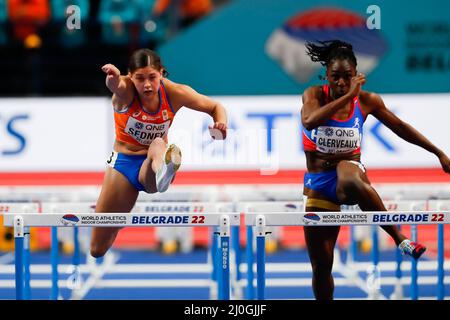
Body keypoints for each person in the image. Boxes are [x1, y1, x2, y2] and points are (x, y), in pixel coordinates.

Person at [300, 40, 450, 300]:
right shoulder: (313, 94)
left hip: (350, 176)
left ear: (357, 74)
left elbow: (401, 127)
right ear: (326, 74)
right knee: (322, 267)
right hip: (319, 183)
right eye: (336, 77)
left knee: (348, 171)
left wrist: (438, 152)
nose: (341, 83)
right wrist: (348, 96)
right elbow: (310, 120)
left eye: (348, 77)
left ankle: (399, 237)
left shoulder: (368, 101)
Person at [90, 48, 227, 258]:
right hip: (123, 165)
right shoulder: (125, 88)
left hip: (153, 164)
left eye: (152, 77)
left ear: (161, 73)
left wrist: (220, 125)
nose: (146, 84)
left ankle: (165, 170)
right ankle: (122, 214)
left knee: (157, 143)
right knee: (97, 249)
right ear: (130, 76)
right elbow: (115, 86)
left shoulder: (175, 92)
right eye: (140, 78)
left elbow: (215, 106)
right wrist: (113, 78)